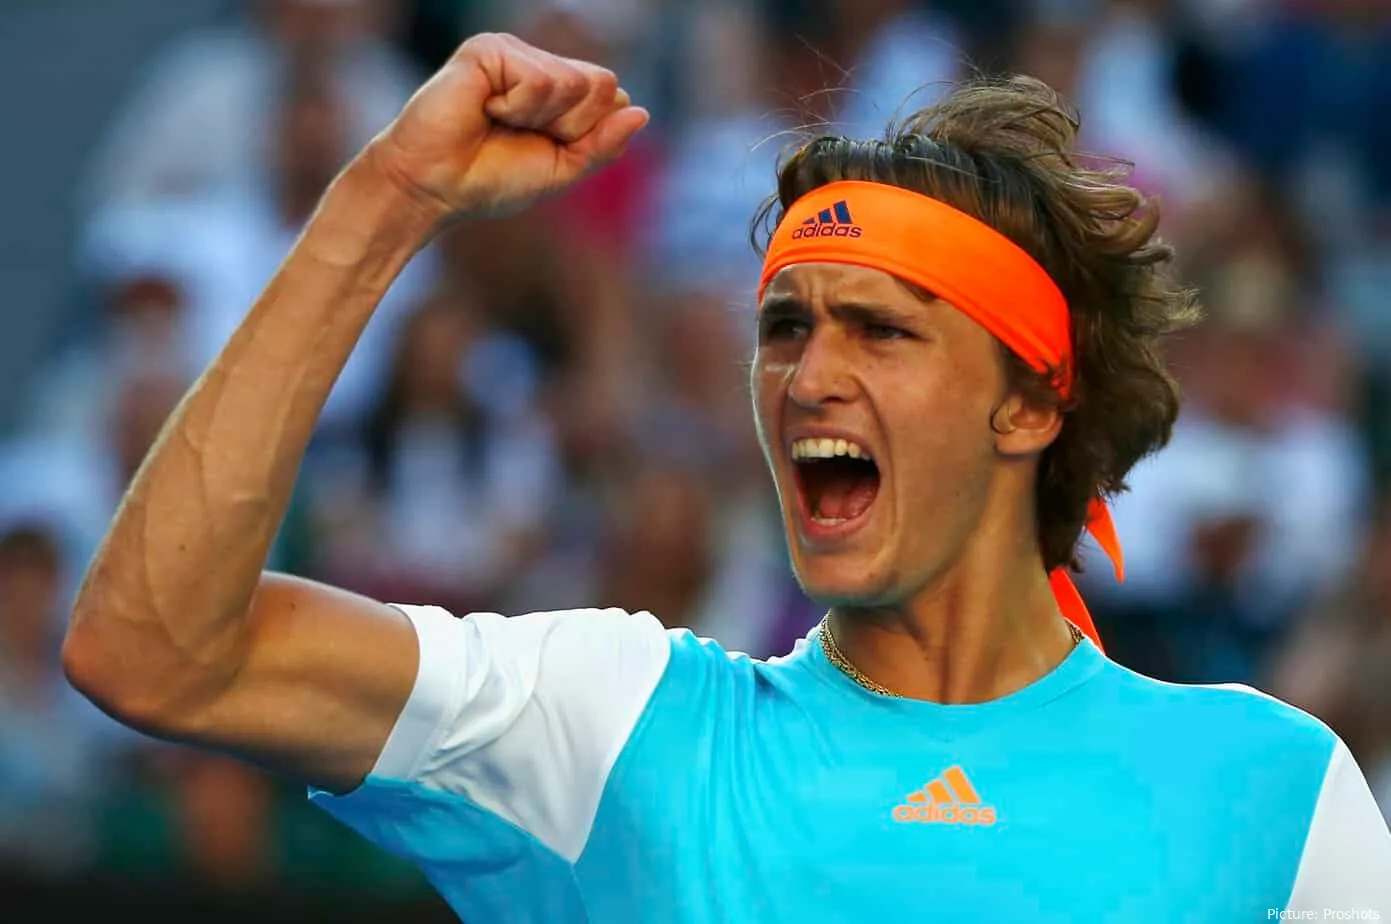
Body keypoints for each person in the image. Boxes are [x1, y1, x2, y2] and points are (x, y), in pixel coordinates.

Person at [63, 32, 1390, 922]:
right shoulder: (608, 723)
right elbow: (155, 648)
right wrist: (387, 198)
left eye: (879, 328)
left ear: (1030, 402)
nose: (808, 374)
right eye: (783, 325)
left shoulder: (1268, 786)